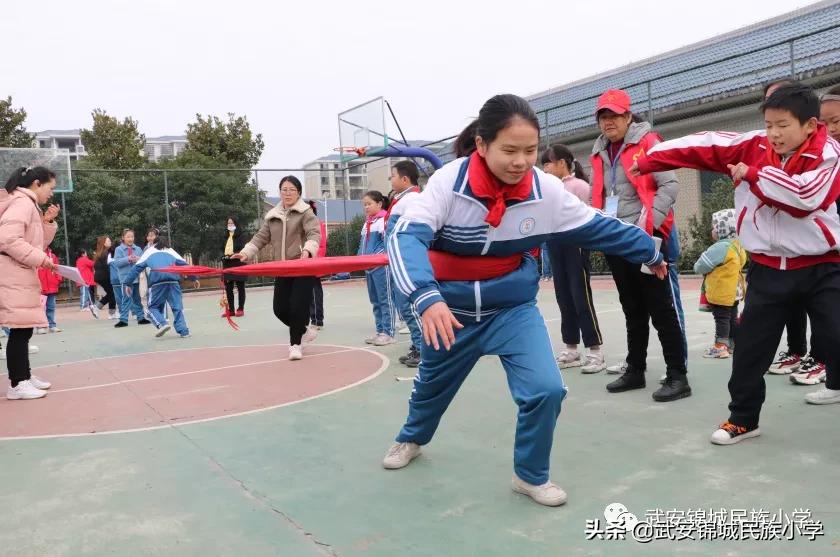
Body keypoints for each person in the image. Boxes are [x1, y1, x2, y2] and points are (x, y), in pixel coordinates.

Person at [382, 94, 667, 507]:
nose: (520, 161)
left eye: (530, 151)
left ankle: (530, 476)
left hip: (511, 309)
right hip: (451, 311)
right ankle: (411, 438)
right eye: (509, 150)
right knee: (431, 387)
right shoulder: (449, 184)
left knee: (546, 390)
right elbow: (405, 237)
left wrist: (650, 250)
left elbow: (597, 226)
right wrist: (426, 299)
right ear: (482, 145)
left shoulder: (545, 193)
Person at [632, 84, 840, 445]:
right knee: (749, 347)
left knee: (837, 337)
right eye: (768, 124)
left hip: (823, 266)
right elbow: (701, 144)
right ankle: (743, 419)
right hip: (767, 268)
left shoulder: (830, 153)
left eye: (782, 125)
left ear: (810, 125)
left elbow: (807, 197)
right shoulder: (753, 146)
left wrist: (754, 175)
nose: (773, 133)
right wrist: (652, 159)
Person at [590, 89, 689, 401]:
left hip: (644, 240)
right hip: (614, 238)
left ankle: (678, 374)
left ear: (628, 115)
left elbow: (670, 185)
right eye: (603, 116)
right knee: (631, 306)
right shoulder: (599, 151)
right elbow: (601, 193)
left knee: (660, 307)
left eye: (615, 115)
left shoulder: (648, 143)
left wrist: (647, 226)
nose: (609, 121)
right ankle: (636, 369)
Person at [232, 176, 321, 361]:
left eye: (291, 190)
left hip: (302, 267)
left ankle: (295, 345)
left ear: (299, 193)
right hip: (282, 268)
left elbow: (314, 233)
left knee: (297, 307)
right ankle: (304, 330)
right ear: (280, 192)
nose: (287, 193)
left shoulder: (306, 213)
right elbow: (260, 237)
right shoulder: (273, 215)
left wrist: (308, 250)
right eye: (284, 189)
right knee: (279, 309)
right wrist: (246, 253)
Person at [541, 143, 605, 373]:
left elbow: (589, 216)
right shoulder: (547, 188)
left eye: (547, 162)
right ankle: (571, 348)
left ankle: (595, 350)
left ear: (561, 163)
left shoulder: (579, 186)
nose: (545, 167)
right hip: (554, 243)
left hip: (576, 245)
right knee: (563, 297)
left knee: (581, 297)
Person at [0, 166, 59, 400]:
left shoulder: (29, 205)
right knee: (19, 329)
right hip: (13, 273)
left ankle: (24, 376)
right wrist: (42, 260)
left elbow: (36, 243)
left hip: (19, 272)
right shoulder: (22, 203)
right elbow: (8, 239)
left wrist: (47, 222)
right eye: (50, 187)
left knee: (22, 328)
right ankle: (17, 383)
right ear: (37, 183)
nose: (52, 193)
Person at [692, 209, 746, 359]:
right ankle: (733, 344)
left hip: (722, 291)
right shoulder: (738, 246)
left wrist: (699, 266)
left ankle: (720, 346)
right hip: (735, 290)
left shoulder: (720, 247)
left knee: (721, 318)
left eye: (714, 227)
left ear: (723, 229)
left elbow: (701, 265)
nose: (712, 230)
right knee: (731, 318)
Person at [385, 160, 423, 367]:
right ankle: (418, 345)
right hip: (397, 260)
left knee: (410, 307)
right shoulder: (402, 199)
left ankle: (423, 349)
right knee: (404, 306)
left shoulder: (413, 199)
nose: (391, 179)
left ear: (404, 178)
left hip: (406, 262)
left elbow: (411, 232)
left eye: (393, 175)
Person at [122, 238, 197, 338]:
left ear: (153, 243)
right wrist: (194, 278)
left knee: (152, 307)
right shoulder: (171, 251)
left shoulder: (149, 251)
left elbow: (137, 268)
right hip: (173, 281)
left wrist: (128, 283)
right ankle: (184, 331)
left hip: (157, 282)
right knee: (177, 307)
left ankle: (162, 324)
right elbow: (185, 265)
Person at [359, 190, 395, 346]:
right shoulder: (367, 223)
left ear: (379, 204)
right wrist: (359, 261)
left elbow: (387, 245)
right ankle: (380, 331)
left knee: (385, 300)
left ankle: (388, 332)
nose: (366, 207)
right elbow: (362, 246)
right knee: (375, 301)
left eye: (369, 204)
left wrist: (375, 260)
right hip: (368, 268)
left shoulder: (384, 221)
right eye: (364, 205)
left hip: (381, 267)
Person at [113, 229, 151, 328]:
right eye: (128, 237)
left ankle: (141, 318)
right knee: (126, 299)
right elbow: (116, 263)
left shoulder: (138, 249)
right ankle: (123, 320)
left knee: (137, 299)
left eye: (132, 237)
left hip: (137, 278)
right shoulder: (119, 249)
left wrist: (139, 259)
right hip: (126, 280)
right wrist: (128, 259)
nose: (130, 239)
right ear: (123, 238)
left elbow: (144, 261)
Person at [221, 217, 247, 318]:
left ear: (236, 224)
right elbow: (221, 249)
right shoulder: (225, 236)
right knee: (228, 289)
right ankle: (231, 310)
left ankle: (240, 309)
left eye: (232, 223)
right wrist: (224, 256)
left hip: (239, 263)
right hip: (227, 264)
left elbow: (242, 248)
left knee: (241, 287)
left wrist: (233, 254)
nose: (230, 225)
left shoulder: (242, 235)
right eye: (228, 224)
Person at [307, 203, 327, 330]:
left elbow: (322, 244)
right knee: (307, 292)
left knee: (315, 292)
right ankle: (311, 318)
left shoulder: (318, 224)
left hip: (314, 262)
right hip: (304, 262)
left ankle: (317, 320)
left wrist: (314, 259)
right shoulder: (303, 224)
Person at [36, 245, 61, 334]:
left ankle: (52, 325)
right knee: (40, 308)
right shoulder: (35, 255)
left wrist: (58, 279)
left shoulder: (53, 256)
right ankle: (40, 326)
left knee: (51, 307)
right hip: (40, 287)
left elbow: (57, 269)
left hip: (52, 286)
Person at [93, 236, 117, 319]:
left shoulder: (99, 253)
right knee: (112, 294)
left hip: (100, 277)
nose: (110, 242)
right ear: (104, 243)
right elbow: (108, 266)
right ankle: (111, 313)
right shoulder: (106, 253)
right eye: (108, 241)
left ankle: (97, 307)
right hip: (105, 277)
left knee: (111, 293)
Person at [75, 248, 98, 318]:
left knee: (86, 293)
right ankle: (83, 306)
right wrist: (96, 257)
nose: (86, 254)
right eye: (85, 253)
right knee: (84, 293)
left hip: (83, 279)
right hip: (84, 279)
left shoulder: (79, 260)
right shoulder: (83, 259)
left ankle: (86, 305)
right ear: (83, 254)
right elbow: (92, 263)